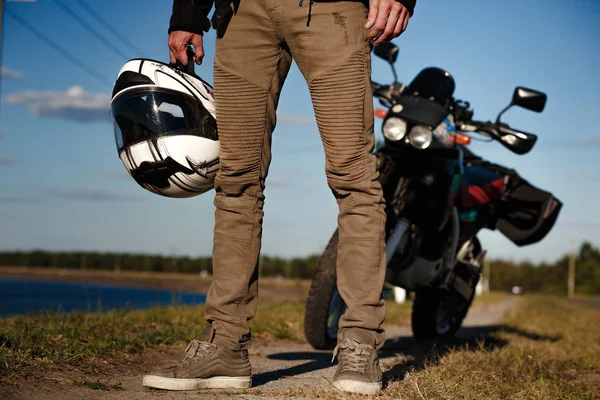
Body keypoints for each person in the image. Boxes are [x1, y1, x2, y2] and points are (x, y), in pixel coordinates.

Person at [143, 0, 415, 395]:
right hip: (243, 12)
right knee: (235, 179)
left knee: (353, 175)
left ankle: (360, 341)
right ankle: (225, 344)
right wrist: (187, 14)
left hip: (331, 9)